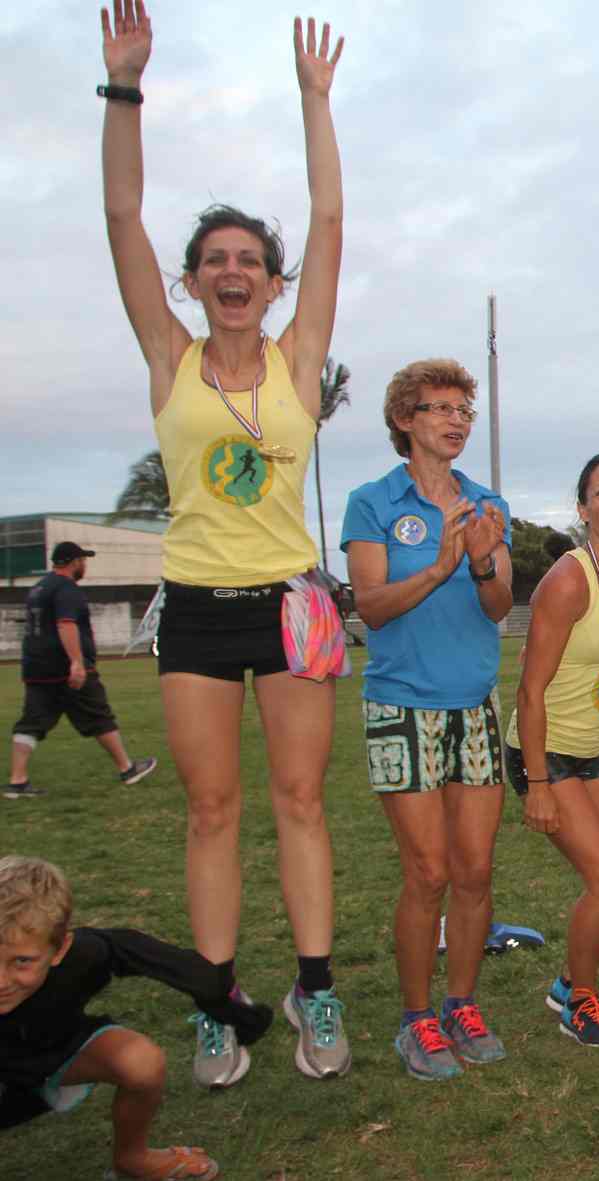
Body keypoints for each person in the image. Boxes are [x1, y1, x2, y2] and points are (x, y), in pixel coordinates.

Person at [99, 3, 351, 1083]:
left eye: (251, 257)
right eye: (215, 259)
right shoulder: (170, 358)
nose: (234, 270)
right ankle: (215, 996)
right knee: (212, 807)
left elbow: (332, 218)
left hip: (293, 602)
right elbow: (120, 214)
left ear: (274, 280)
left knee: (299, 800)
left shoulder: (300, 358)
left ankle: (316, 989)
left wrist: (312, 103)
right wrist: (125, 87)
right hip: (197, 605)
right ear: (191, 282)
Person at [341, 360, 513, 1081]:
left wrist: (478, 564)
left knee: (474, 869)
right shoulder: (372, 501)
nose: (456, 420)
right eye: (439, 408)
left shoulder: (485, 500)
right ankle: (416, 1018)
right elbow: (371, 606)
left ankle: (462, 1004)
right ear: (405, 421)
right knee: (429, 869)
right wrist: (441, 565)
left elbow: (502, 604)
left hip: (474, 702)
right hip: (401, 703)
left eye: (463, 409)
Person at [1, 855, 272, 1181]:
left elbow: (133, 950)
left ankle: (131, 1159)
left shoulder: (84, 954)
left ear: (59, 950)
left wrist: (227, 1007)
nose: (1, 980)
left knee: (141, 1061)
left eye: (22, 961)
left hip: (48, 1054)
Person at [507, 451, 599, 1045]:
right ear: (583, 508)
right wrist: (538, 783)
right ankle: (582, 1004)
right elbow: (529, 689)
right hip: (547, 751)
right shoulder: (567, 582)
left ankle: (571, 980)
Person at [8, 543, 157, 801]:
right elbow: (66, 625)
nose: (85, 565)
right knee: (99, 715)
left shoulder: (38, 588)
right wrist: (77, 663)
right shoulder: (67, 589)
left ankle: (17, 781)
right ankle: (127, 769)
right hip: (65, 669)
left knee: (31, 722)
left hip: (37, 668)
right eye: (83, 560)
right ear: (74, 562)